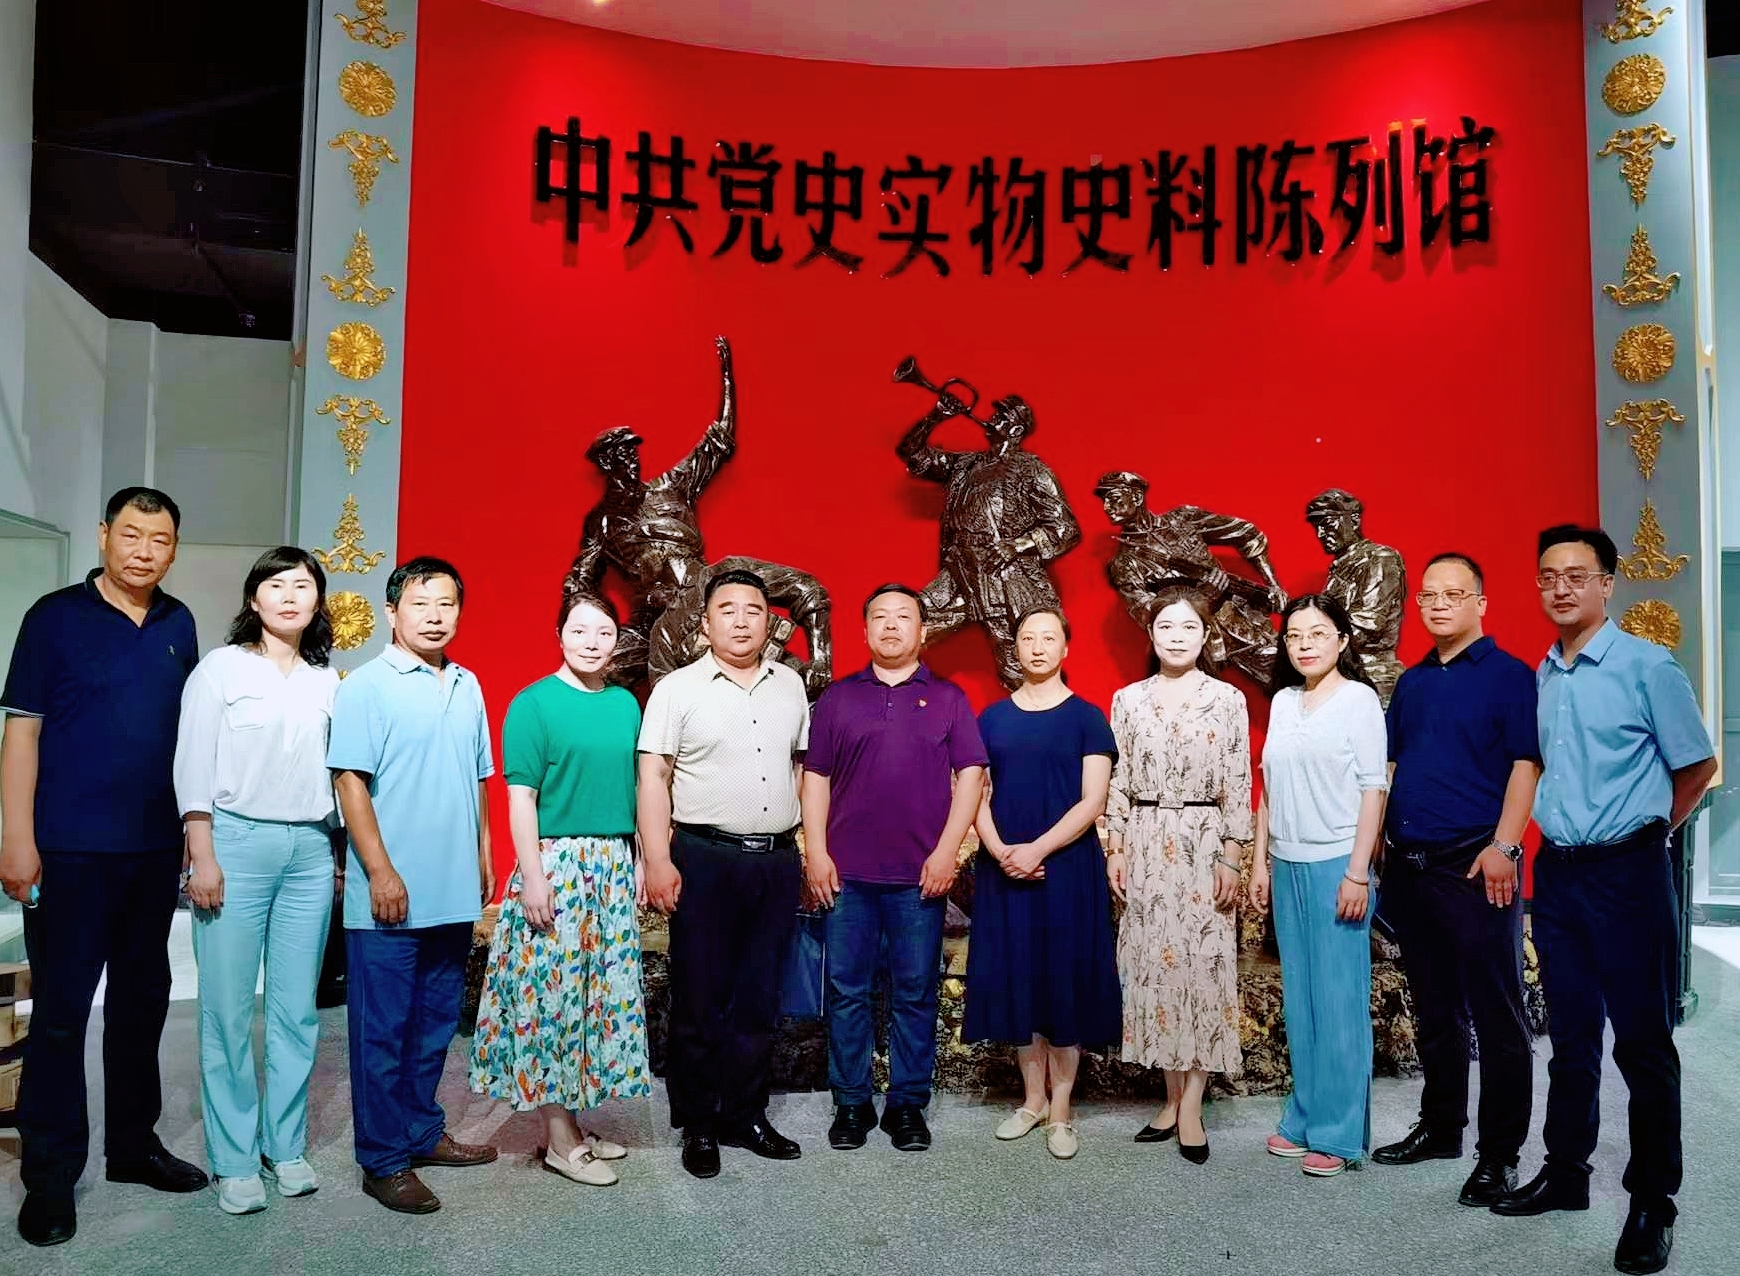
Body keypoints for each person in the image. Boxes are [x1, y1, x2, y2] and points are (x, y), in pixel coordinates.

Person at [1490, 526, 1715, 1276]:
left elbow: (1697, 766)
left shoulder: (1648, 667)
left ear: (1607, 584)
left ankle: (1653, 1203)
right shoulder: (1543, 674)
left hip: (1628, 875)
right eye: (1547, 576)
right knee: (1572, 1036)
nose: (1560, 588)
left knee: (1644, 1044)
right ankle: (1566, 1173)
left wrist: (1646, 834)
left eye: (1577, 575)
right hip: (1559, 875)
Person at [0, 487, 208, 1248]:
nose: (144, 551)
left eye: (160, 539)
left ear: (174, 548)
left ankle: (132, 1147)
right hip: (69, 849)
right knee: (60, 1014)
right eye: (131, 534)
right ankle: (50, 1177)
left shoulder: (179, 622)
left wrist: (189, 835)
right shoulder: (53, 617)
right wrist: (15, 838)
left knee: (141, 1004)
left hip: (151, 852)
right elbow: (22, 733)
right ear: (103, 535)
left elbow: (185, 740)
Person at [327, 557, 499, 1215]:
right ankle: (383, 1160)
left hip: (452, 889)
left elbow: (479, 778)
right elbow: (350, 782)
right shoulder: (366, 686)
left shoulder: (468, 683)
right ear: (392, 611)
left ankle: (422, 1133)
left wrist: (483, 853)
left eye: (446, 604)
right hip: (390, 893)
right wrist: (380, 870)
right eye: (421, 603)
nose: (434, 615)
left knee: (434, 1026)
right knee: (382, 1031)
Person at [173, 547, 341, 1215]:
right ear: (253, 599)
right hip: (235, 843)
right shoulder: (221, 669)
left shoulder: (327, 679)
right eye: (277, 585)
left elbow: (339, 775)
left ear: (318, 600)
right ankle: (235, 1159)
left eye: (303, 585)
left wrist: (336, 852)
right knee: (228, 1008)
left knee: (297, 1009)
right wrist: (202, 853)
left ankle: (286, 1145)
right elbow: (192, 763)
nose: (290, 596)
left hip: (310, 849)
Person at [1373, 553, 1539, 1207]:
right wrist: (1379, 837)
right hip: (1411, 866)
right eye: (1429, 595)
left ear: (1481, 603)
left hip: (1476, 865)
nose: (1439, 604)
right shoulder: (1413, 682)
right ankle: (1442, 1127)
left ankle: (1500, 1155)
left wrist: (1505, 845)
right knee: (1435, 1008)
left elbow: (1526, 764)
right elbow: (1392, 766)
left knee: (1498, 1015)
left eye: (1454, 594)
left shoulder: (1510, 676)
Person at [470, 590, 650, 1187]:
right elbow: (520, 797)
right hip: (558, 864)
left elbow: (634, 788)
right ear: (559, 635)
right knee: (551, 1001)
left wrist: (641, 857)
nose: (591, 643)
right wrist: (534, 876)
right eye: (579, 631)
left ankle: (569, 1123)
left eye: (604, 633)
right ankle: (559, 1141)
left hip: (612, 863)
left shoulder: (625, 704)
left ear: (616, 640)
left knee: (591, 999)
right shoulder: (534, 703)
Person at [637, 568, 812, 1179]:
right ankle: (699, 1123)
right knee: (700, 995)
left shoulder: (790, 686)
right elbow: (653, 776)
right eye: (727, 610)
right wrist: (657, 858)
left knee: (759, 996)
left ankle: (745, 1114)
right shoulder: (676, 689)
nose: (741, 620)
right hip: (704, 857)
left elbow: (800, 770)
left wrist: (804, 846)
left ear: (769, 623)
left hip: (775, 860)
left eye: (753, 610)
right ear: (706, 623)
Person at [801, 584, 987, 1153]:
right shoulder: (837, 699)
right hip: (846, 876)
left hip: (919, 877)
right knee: (846, 991)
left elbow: (972, 777)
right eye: (879, 617)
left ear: (922, 631)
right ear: (864, 631)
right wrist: (816, 852)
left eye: (903, 617)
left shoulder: (949, 698)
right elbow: (815, 778)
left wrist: (948, 852)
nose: (890, 626)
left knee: (915, 992)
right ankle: (851, 1102)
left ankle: (907, 1104)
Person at [563, 337, 832, 694]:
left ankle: (815, 673)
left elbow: (719, 441)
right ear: (606, 463)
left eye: (633, 453)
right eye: (622, 456)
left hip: (706, 590)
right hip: (654, 619)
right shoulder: (602, 522)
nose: (632, 461)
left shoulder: (671, 488)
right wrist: (586, 624)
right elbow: (581, 581)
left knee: (788, 630)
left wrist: (727, 378)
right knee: (604, 668)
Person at [965, 607, 1121, 1160]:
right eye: (1027, 638)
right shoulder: (990, 719)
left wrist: (1035, 849)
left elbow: (1092, 801)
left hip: (1066, 868)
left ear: (1065, 648)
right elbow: (973, 793)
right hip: (1004, 866)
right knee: (1019, 980)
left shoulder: (1087, 718)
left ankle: (1061, 1109)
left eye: (1048, 637)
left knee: (1062, 980)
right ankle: (1031, 1101)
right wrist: (1000, 850)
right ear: (1015, 648)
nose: (1036, 647)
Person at [1106, 586, 1252, 1164]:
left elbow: (1238, 781)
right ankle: (1169, 1098)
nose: (1176, 636)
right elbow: (1117, 779)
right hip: (1144, 842)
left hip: (1204, 841)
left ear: (1205, 635)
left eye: (1189, 626)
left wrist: (1233, 855)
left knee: (1203, 967)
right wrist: (1115, 846)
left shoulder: (1227, 699)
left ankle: (1193, 1103)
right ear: (1151, 634)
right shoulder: (1128, 700)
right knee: (1156, 969)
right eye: (1166, 626)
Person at [1250, 594, 1388, 1178]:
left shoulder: (1359, 701)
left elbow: (1373, 788)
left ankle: (1339, 1132)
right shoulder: (1284, 702)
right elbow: (1268, 789)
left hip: (1338, 864)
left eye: (1317, 633)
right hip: (1286, 862)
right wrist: (1260, 862)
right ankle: (1303, 1118)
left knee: (1338, 1002)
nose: (1304, 644)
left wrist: (1357, 871)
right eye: (1294, 636)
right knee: (1301, 1000)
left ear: (1342, 640)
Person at [896, 379, 1081, 688]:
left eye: (1001, 417)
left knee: (1020, 666)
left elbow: (1065, 528)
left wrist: (1018, 545)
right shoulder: (965, 464)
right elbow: (910, 453)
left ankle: (1047, 712)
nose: (992, 418)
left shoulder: (1032, 470)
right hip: (960, 570)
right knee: (910, 626)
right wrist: (936, 415)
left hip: (1004, 577)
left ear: (1016, 430)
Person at [1094, 470, 1287, 684]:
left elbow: (1248, 534)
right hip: (1190, 646)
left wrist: (1273, 585)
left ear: (1137, 497)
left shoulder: (1183, 520)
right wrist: (1201, 600)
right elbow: (1149, 615)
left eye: (1113, 499)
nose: (1106, 507)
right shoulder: (1124, 564)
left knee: (1288, 680)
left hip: (1239, 621)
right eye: (1104, 502)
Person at [1305, 489, 1406, 702]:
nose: (1321, 534)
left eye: (1327, 524)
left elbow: (1366, 625)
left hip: (1372, 678)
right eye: (1316, 527)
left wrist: (1309, 646)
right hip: (1340, 676)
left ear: (1354, 519)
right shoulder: (1341, 566)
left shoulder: (1378, 558)